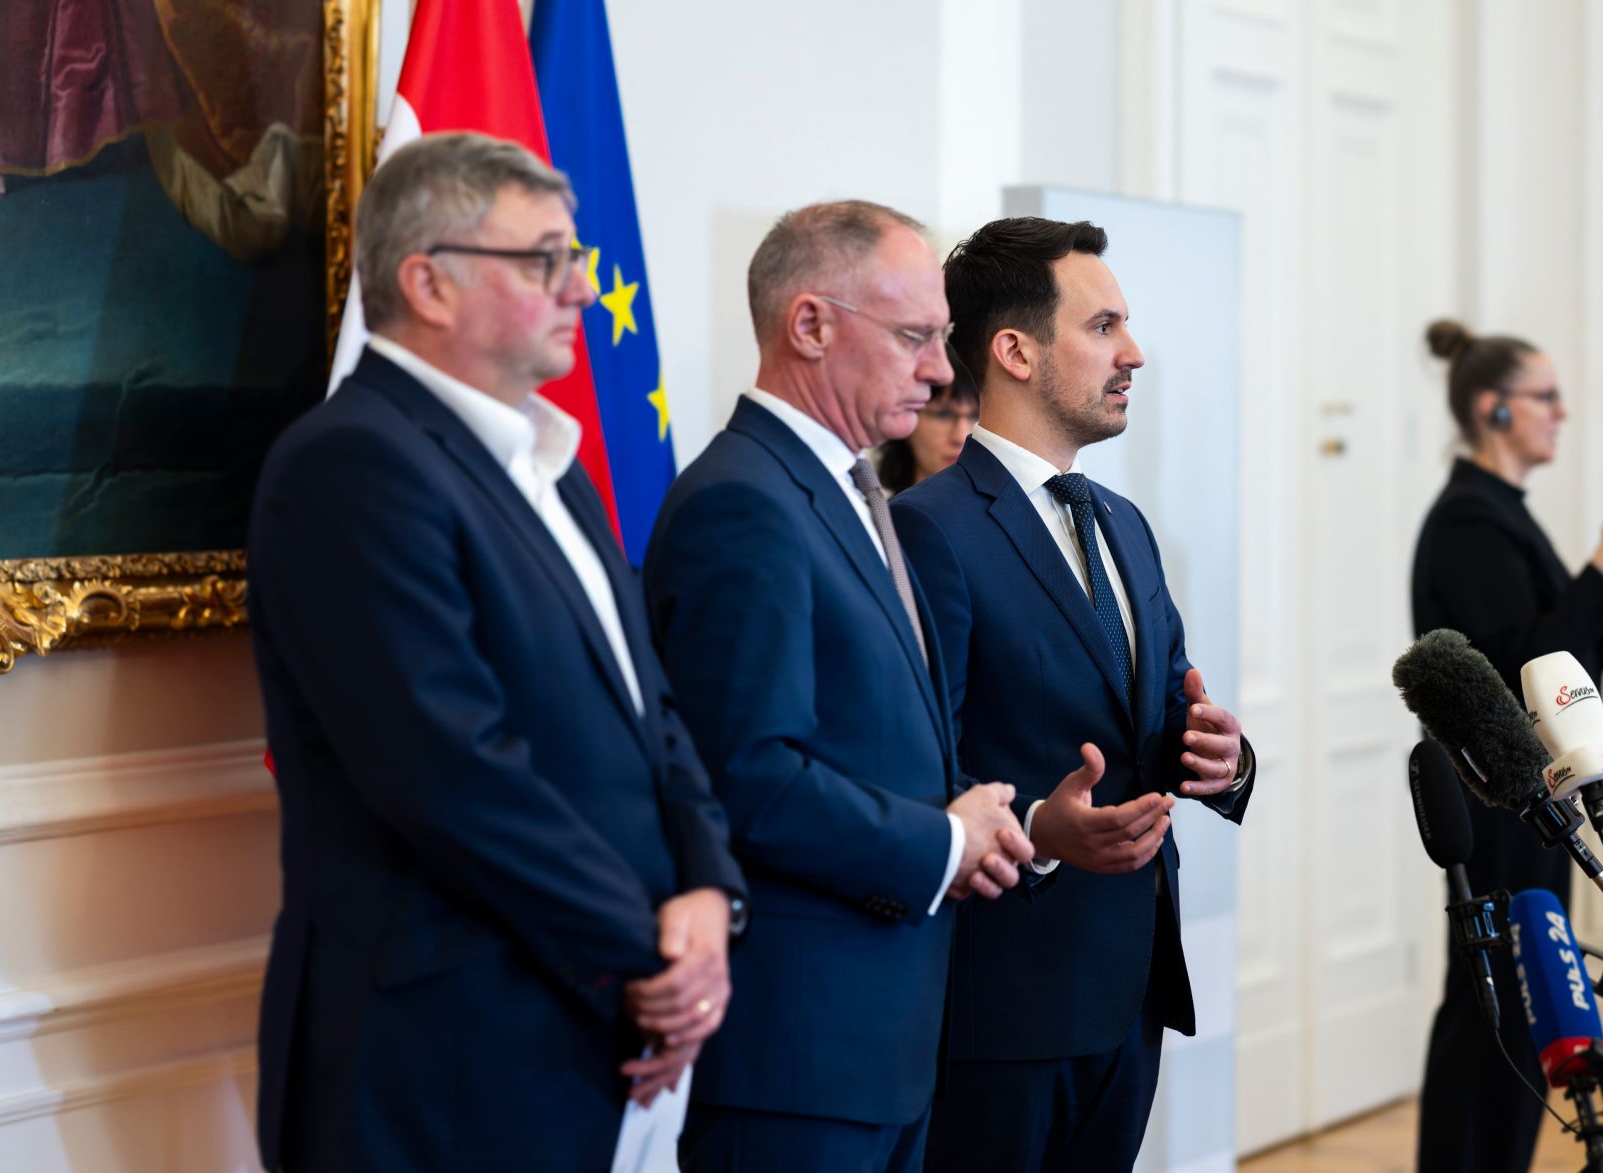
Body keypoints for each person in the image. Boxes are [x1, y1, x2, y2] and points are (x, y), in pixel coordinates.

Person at [246, 132, 745, 1173]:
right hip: (449, 1046)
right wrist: (649, 957)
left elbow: (649, 711)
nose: (579, 288)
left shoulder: (552, 464)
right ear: (426, 281)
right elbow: (446, 769)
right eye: (543, 260)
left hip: (601, 1018)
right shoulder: (350, 465)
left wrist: (706, 893)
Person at [641, 199, 1050, 1173]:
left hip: (879, 1044)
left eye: (941, 338)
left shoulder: (844, 489)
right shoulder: (744, 501)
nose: (943, 369)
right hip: (796, 1057)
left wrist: (979, 825)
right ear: (810, 325)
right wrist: (942, 842)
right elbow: (747, 777)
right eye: (913, 336)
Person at [891, 216, 1256, 1172]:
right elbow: (907, 766)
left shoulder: (1125, 525)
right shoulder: (926, 530)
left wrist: (1225, 760)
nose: (1132, 353)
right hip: (999, 1004)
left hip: (1129, 991)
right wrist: (1041, 838)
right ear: (1013, 350)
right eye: (1103, 328)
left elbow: (1165, 722)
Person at [1410, 318, 1603, 1173]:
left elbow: (1555, 668)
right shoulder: (1469, 520)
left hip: (1527, 801)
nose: (1561, 413)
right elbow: (1524, 668)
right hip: (1497, 803)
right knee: (1494, 1004)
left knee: (1527, 1003)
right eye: (1545, 397)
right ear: (1495, 409)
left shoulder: (1497, 513)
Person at [875, 347, 979, 493]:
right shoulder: (874, 514)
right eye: (943, 415)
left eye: (976, 416)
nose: (961, 437)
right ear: (905, 417)